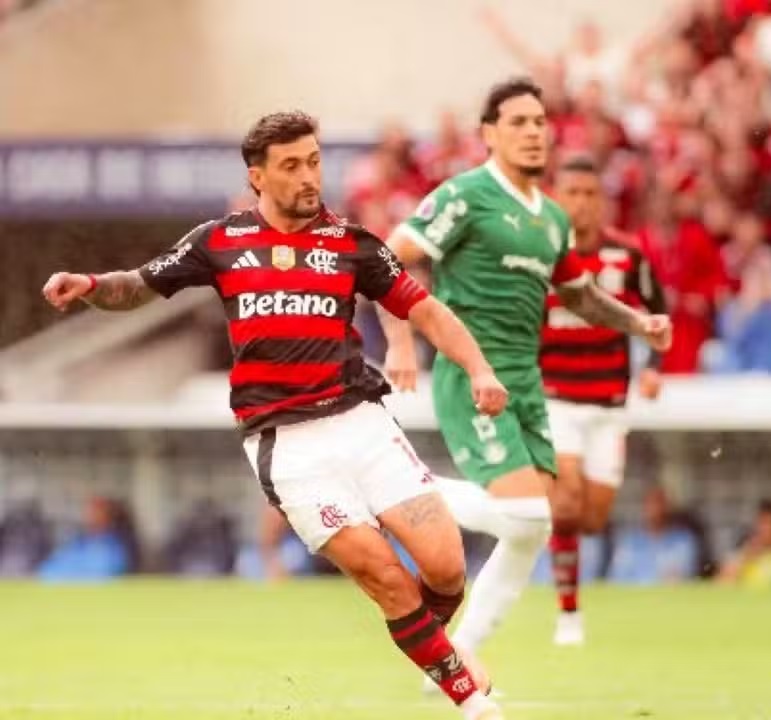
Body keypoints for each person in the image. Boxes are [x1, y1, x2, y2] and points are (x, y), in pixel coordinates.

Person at [42, 111, 509, 720]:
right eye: (291, 165)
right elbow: (140, 284)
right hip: (288, 447)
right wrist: (92, 284)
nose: (308, 175)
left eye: (314, 161)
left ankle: (434, 649)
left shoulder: (350, 244)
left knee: (446, 567)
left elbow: (426, 310)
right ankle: (471, 701)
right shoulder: (220, 241)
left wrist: (479, 368)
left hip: (363, 424)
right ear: (258, 177)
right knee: (386, 578)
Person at [381, 78, 672, 675]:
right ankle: (392, 488)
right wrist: (400, 340)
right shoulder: (464, 196)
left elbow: (581, 296)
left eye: (540, 122)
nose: (534, 132)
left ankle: (459, 659)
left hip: (528, 386)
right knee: (529, 516)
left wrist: (639, 325)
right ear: (488, 134)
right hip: (472, 379)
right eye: (519, 122)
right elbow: (390, 256)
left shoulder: (553, 220)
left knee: (529, 532)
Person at [539, 155, 667, 646]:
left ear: (603, 201)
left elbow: (660, 312)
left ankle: (547, 531)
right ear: (556, 197)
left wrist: (654, 369)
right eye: (571, 193)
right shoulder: (541, 255)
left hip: (610, 401)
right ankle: (568, 614)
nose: (581, 203)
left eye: (590, 194)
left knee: (590, 517)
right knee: (566, 500)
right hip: (555, 398)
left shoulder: (628, 255)